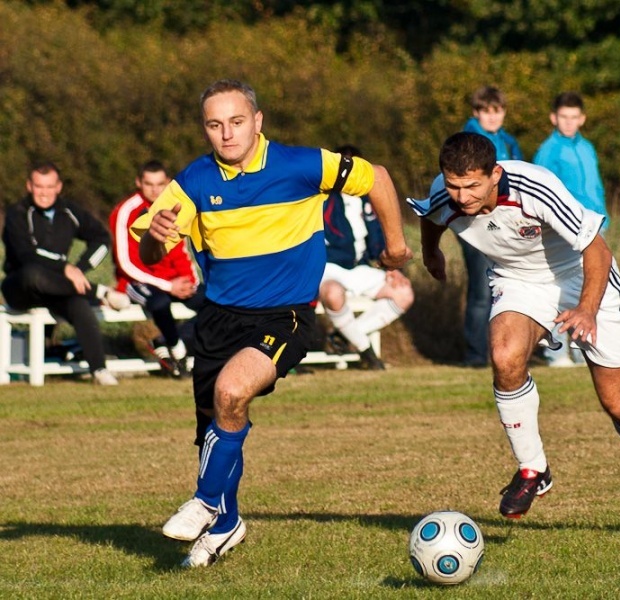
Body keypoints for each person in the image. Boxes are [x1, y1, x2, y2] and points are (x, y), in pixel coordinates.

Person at [132, 79, 412, 568]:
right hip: (218, 319)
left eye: (236, 122)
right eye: (215, 125)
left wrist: (396, 244)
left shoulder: (301, 165)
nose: (227, 134)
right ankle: (225, 525)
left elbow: (379, 177)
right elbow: (150, 250)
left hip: (286, 315)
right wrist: (156, 239)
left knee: (232, 393)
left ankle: (203, 501)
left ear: (257, 122)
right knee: (216, 429)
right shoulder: (193, 182)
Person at [407, 132, 620, 533]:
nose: (462, 197)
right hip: (519, 282)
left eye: (473, 186)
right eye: (454, 185)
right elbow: (431, 216)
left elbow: (597, 249)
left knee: (618, 403)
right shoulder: (446, 195)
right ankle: (533, 469)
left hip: (582, 276)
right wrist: (431, 252)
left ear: (495, 174)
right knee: (504, 355)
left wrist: (586, 309)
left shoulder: (536, 188)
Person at [1, 161, 130, 386]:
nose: (44, 193)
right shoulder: (17, 214)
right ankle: (99, 292)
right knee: (33, 274)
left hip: (58, 287)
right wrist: (65, 268)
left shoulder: (69, 211)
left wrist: (80, 268)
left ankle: (99, 370)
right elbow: (26, 255)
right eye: (39, 187)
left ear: (59, 186)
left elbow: (101, 239)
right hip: (20, 287)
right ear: (29, 186)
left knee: (79, 306)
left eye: (49, 187)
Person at [320, 145, 414, 371]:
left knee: (404, 293)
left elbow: (379, 239)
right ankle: (366, 351)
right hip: (329, 267)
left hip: (360, 267)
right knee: (333, 294)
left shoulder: (369, 199)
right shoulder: (321, 198)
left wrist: (390, 267)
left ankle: (343, 338)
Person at [110, 160, 205, 378]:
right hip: (137, 282)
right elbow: (125, 263)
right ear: (138, 183)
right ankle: (178, 353)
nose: (155, 189)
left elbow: (182, 250)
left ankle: (166, 341)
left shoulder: (176, 206)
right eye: (149, 184)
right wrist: (167, 285)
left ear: (168, 183)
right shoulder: (125, 211)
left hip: (173, 281)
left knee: (216, 301)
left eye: (160, 184)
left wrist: (190, 283)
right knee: (159, 303)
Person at [534, 91, 608, 368]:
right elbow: (540, 192)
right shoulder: (548, 150)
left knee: (591, 289)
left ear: (582, 118)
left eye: (574, 117)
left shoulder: (586, 147)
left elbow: (595, 187)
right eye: (563, 117)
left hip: (595, 226)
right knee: (562, 289)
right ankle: (556, 352)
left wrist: (604, 219)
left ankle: (583, 349)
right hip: (566, 229)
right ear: (554, 118)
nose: (568, 122)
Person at [458, 86, 524, 367]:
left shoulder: (508, 142)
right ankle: (476, 354)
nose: (492, 116)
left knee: (510, 288)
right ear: (476, 113)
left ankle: (512, 349)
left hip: (506, 221)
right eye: (486, 111)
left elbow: (519, 177)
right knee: (482, 292)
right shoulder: (467, 141)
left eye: (497, 111)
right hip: (475, 223)